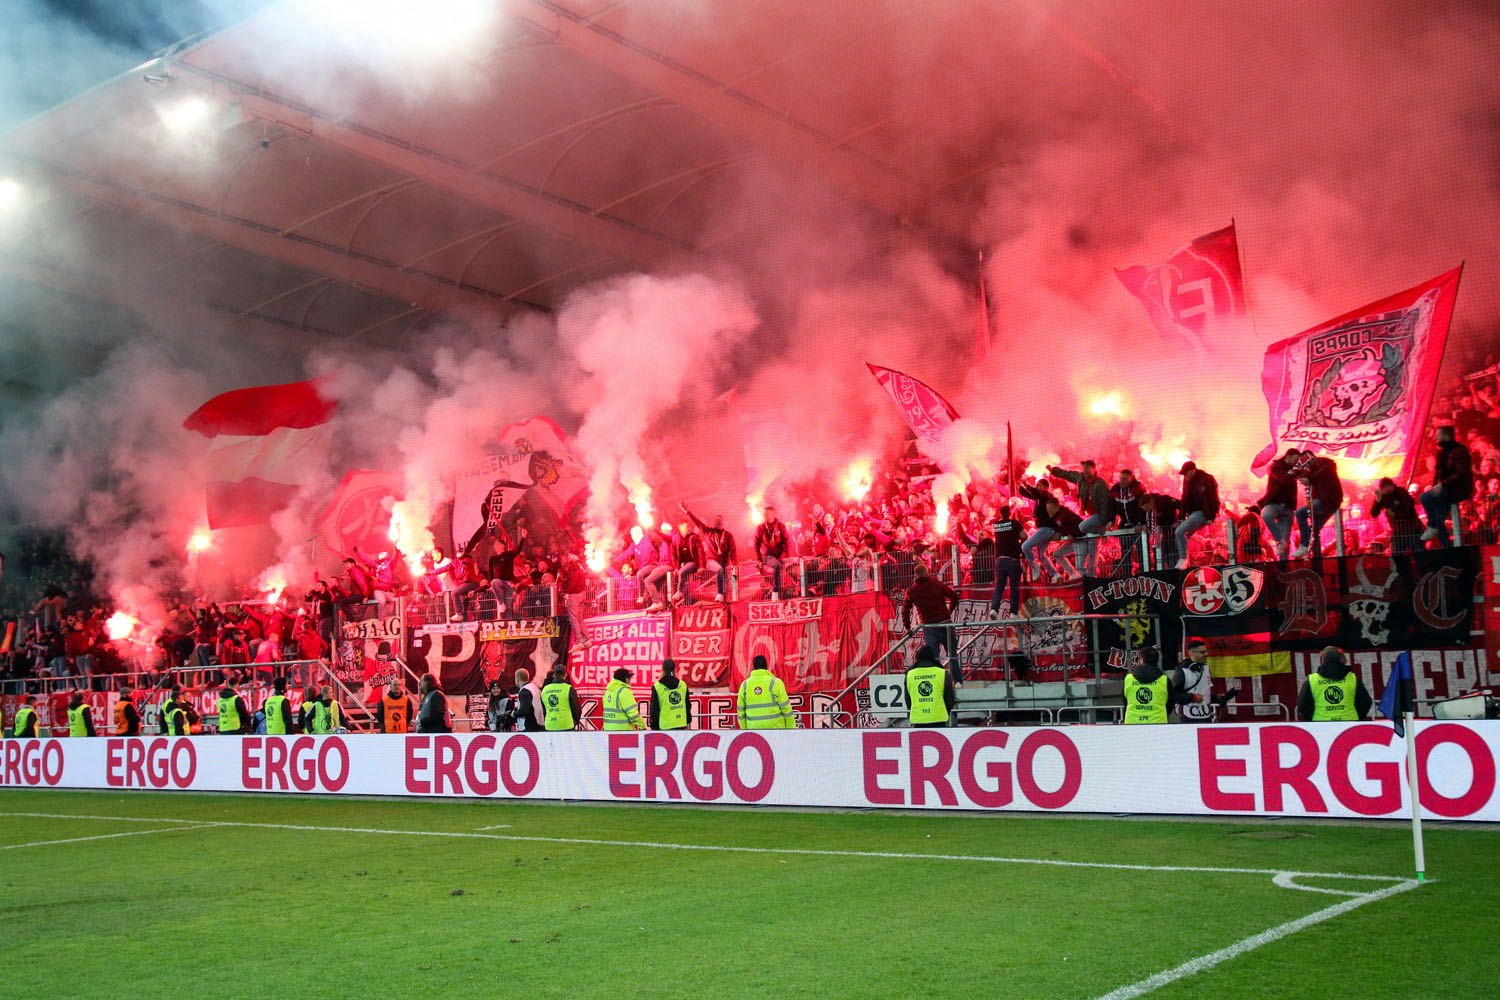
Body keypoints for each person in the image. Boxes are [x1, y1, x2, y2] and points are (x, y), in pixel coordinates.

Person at [1049, 460, 1112, 575]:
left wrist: (1105, 524)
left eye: (1088, 469)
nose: (1085, 471)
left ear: (1094, 469)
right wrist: (1053, 471)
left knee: (1082, 526)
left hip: (1100, 515)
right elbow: (1068, 474)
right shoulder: (1081, 478)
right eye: (1084, 469)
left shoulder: (1100, 483)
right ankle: (1090, 578)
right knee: (1093, 548)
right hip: (1091, 517)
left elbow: (1105, 505)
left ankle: (1099, 530)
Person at [902, 563, 962, 681]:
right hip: (946, 624)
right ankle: (958, 682)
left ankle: (936, 682)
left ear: (916, 575)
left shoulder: (912, 591)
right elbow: (954, 596)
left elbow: (905, 610)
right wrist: (949, 611)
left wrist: (908, 627)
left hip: (929, 627)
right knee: (952, 655)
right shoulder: (936, 584)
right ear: (927, 572)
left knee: (932, 658)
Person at [1422, 425, 1474, 545]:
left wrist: (1443, 485)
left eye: (1438, 435)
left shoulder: (1460, 451)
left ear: (1445, 436)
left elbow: (1462, 473)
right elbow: (1437, 473)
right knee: (1426, 498)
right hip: (1445, 488)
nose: (1435, 438)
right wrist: (1434, 487)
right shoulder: (1440, 453)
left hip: (1459, 488)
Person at [1297, 646, 1373, 721]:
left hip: (1320, 724)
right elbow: (1365, 702)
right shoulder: (1352, 679)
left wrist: (1313, 719)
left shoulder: (1312, 680)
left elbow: (1303, 706)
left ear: (1323, 660)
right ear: (1341, 659)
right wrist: (1356, 717)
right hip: (1349, 722)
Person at [1292, 452, 1344, 558]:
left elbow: (1324, 472)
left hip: (1327, 501)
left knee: (1300, 513)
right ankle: (1317, 562)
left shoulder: (1324, 462)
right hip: (1328, 503)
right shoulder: (1315, 471)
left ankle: (1305, 544)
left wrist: (1309, 478)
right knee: (1314, 532)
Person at [682, 503, 736, 601]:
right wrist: (687, 512)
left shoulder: (728, 536)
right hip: (711, 561)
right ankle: (719, 594)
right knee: (720, 570)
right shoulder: (708, 532)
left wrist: (733, 565)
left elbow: (733, 551)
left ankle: (724, 602)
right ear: (713, 522)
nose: (718, 522)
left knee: (726, 582)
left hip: (724, 563)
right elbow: (697, 522)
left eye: (720, 521)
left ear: (723, 523)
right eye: (716, 520)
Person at [1255, 449, 1301, 560]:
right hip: (1274, 504)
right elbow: (1284, 478)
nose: (1296, 462)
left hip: (1288, 507)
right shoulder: (1275, 467)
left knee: (1286, 540)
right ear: (1288, 456)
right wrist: (1298, 471)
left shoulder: (1293, 470)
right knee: (1266, 515)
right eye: (1295, 459)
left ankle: (1283, 568)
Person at [1174, 462, 1220, 569]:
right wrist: (1181, 518)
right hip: (1193, 514)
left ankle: (1183, 559)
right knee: (1180, 535)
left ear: (1193, 470)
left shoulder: (1207, 479)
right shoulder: (1187, 481)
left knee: (1180, 532)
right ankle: (1186, 559)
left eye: (1186, 473)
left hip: (1202, 513)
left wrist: (1211, 517)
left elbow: (1214, 498)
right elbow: (1184, 499)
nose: (1185, 476)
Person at [1121, 647, 1180, 725]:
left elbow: (1126, 702)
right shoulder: (1164, 680)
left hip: (1132, 723)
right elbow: (1170, 703)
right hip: (1158, 722)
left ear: (1141, 660)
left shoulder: (1128, 679)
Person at [903, 644, 955, 728]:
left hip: (918, 719)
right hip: (939, 718)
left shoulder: (910, 674)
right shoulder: (942, 673)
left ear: (918, 657)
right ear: (933, 657)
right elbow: (950, 699)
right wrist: (944, 710)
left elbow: (908, 701)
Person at [737, 654, 794, 729]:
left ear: (753, 667)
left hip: (754, 729)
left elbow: (740, 712)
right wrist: (791, 729)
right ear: (766, 666)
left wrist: (744, 730)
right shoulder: (776, 682)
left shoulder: (744, 685)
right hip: (775, 729)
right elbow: (787, 708)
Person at [1371, 478, 1424, 555]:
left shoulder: (1401, 491)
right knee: (1397, 555)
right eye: (1384, 487)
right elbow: (1374, 514)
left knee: (1419, 554)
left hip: (1413, 529)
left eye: (1388, 486)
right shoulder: (1382, 497)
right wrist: (1377, 500)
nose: (1387, 489)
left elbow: (1409, 506)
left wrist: (1394, 512)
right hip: (1398, 531)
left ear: (1392, 486)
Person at [1110, 469, 1148, 570]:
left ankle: (1145, 576)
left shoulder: (1138, 488)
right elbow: (1112, 509)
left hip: (1139, 525)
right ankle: (1128, 579)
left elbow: (1142, 508)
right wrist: (1110, 521)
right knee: (1125, 554)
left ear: (1131, 479)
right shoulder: (1115, 490)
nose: (1121, 481)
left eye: (1125, 479)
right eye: (1120, 478)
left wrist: (1141, 523)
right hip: (1124, 525)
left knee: (1142, 552)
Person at [1172, 639, 1215, 723]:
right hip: (1188, 716)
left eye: (1206, 651)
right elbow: (1174, 695)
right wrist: (1192, 697)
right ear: (1191, 653)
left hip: (1206, 715)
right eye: (1202, 652)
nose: (1206, 654)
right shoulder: (1183, 671)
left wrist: (1218, 697)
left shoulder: (1206, 668)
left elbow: (1203, 692)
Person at [754, 506, 790, 600]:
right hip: (767, 556)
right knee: (777, 566)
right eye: (764, 514)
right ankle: (775, 592)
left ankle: (784, 594)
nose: (765, 516)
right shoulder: (760, 528)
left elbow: (786, 542)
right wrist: (759, 559)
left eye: (767, 514)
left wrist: (786, 556)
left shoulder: (781, 526)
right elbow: (756, 545)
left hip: (780, 557)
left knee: (785, 573)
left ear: (773, 515)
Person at [649, 659, 692, 730]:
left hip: (665, 726)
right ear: (675, 669)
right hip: (681, 724)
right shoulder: (683, 685)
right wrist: (687, 720)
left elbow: (654, 709)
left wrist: (654, 725)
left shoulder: (657, 687)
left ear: (662, 669)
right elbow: (687, 705)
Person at [541, 666, 581, 732]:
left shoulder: (545, 689)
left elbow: (544, 709)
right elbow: (576, 708)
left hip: (550, 725)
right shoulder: (568, 688)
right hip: (566, 724)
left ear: (554, 675)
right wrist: (575, 721)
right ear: (566, 674)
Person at [513, 668, 544, 733]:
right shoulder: (535, 688)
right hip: (539, 722)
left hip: (528, 726)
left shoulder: (524, 691)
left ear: (517, 679)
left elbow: (524, 710)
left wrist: (514, 714)